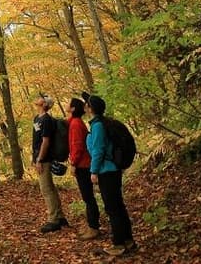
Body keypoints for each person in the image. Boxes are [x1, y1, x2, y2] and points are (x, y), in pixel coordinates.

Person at [86, 94, 136, 255]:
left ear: (91, 108)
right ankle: (128, 241)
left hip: (106, 171)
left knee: (112, 208)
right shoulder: (102, 123)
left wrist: (93, 171)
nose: (85, 107)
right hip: (112, 169)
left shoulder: (98, 126)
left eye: (87, 104)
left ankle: (119, 244)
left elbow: (98, 150)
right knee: (118, 206)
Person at [32, 94, 68, 233]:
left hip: (45, 159)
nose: (39, 98)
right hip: (39, 157)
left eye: (42, 98)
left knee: (46, 189)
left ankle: (53, 220)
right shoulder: (37, 118)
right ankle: (60, 216)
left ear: (45, 104)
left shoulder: (47, 120)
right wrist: (34, 158)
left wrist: (40, 159)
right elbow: (36, 141)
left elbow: (46, 141)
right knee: (50, 188)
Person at [68, 97, 101, 240]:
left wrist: (73, 164)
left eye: (68, 104)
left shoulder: (76, 124)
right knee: (87, 197)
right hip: (84, 164)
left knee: (88, 197)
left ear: (73, 108)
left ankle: (93, 228)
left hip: (83, 165)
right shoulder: (75, 122)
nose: (66, 106)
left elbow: (77, 146)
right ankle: (91, 225)